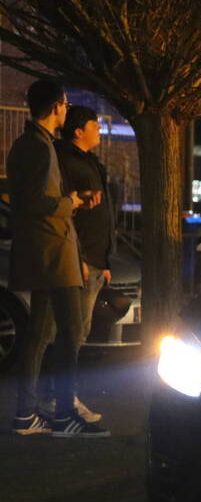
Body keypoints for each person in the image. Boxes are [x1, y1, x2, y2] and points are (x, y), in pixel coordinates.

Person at [7, 80, 109, 437]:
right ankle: (64, 413)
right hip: (53, 248)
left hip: (44, 248)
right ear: (56, 108)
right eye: (65, 105)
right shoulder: (38, 146)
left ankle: (26, 414)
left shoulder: (30, 144)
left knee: (38, 333)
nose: (66, 110)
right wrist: (74, 202)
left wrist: (69, 198)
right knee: (70, 332)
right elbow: (39, 201)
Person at [48, 105, 112, 423]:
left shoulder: (87, 160)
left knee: (78, 330)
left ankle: (60, 396)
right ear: (78, 130)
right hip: (81, 260)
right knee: (72, 332)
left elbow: (100, 213)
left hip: (94, 260)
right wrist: (82, 258)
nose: (98, 129)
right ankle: (63, 399)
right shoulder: (67, 160)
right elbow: (68, 214)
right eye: (94, 125)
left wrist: (105, 259)